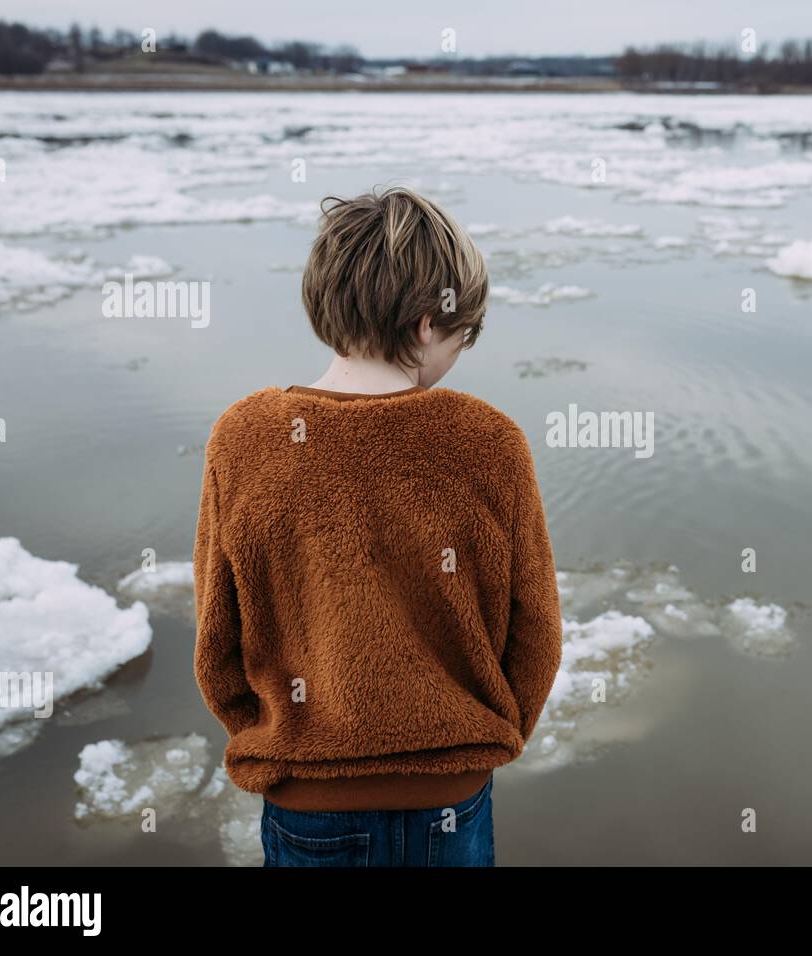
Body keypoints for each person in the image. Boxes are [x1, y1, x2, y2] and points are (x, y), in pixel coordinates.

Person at [192, 185, 563, 867]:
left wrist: (272, 737)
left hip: (309, 802)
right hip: (450, 801)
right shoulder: (489, 441)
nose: (459, 354)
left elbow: (218, 633)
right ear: (428, 323)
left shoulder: (245, 437)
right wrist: (481, 739)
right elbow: (534, 628)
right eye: (462, 335)